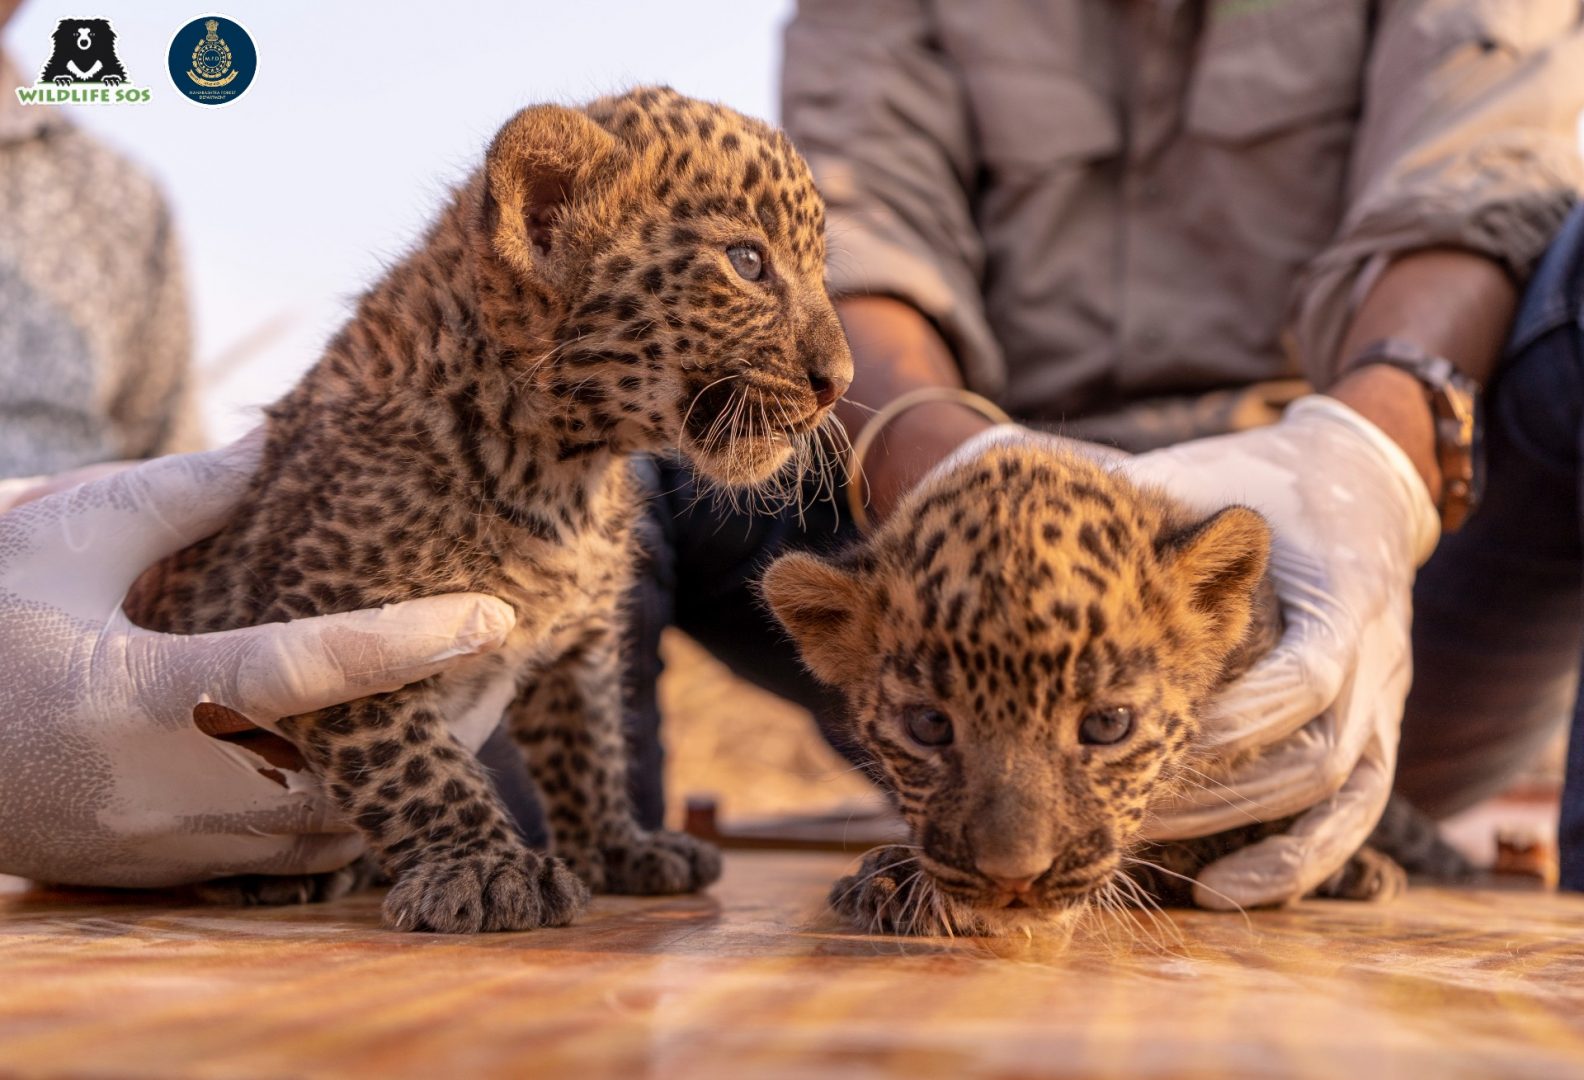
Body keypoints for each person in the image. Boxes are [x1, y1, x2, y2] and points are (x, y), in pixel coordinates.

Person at [614, 0, 1584, 904]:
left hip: (1361, 543)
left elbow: (1478, 177)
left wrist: (1368, 455)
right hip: (931, 548)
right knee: (598, 410)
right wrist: (953, 475)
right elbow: (860, 241)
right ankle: (530, 895)